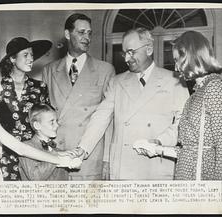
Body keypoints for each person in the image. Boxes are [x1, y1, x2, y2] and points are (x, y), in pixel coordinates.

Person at [72, 27, 189, 180]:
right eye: (124, 53)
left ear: (148, 49)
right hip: (124, 166)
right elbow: (100, 118)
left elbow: (184, 123)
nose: (127, 59)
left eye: (131, 52)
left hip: (157, 164)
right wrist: (83, 148)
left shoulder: (174, 80)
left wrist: (160, 141)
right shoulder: (117, 82)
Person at [134, 31, 222, 180]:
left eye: (177, 60)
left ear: (191, 56)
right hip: (186, 176)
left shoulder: (215, 87)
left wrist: (219, 190)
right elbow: (189, 150)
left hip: (203, 181)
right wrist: (157, 149)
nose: (175, 68)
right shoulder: (195, 94)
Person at [0, 62, 81, 182]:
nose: (1, 88)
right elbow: (21, 149)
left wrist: (60, 154)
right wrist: (60, 160)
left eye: (1, 83)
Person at [42, 13, 115, 180]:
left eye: (89, 33)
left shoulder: (105, 70)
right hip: (57, 153)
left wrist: (106, 160)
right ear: (68, 34)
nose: (87, 38)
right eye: (81, 32)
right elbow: (43, 114)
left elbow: (109, 119)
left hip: (89, 155)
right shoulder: (49, 70)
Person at [0, 37, 53, 181]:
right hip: (4, 154)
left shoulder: (40, 87)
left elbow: (46, 121)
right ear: (13, 59)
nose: (31, 59)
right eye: (25, 55)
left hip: (33, 154)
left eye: (32, 55)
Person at [18, 104, 68, 180]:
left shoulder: (57, 149)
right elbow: (35, 177)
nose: (57, 125)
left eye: (56, 121)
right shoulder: (27, 148)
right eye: (52, 122)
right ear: (37, 125)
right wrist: (56, 156)